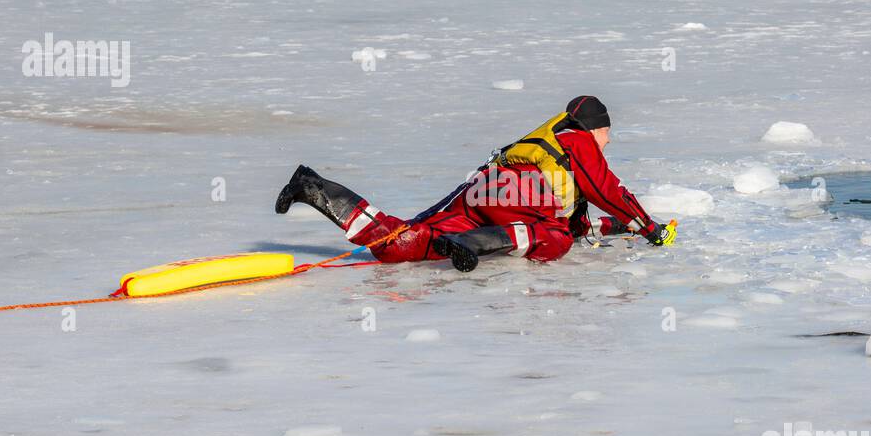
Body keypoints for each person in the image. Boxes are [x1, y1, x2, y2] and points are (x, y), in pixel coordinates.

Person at [274, 95, 672, 272]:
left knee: (402, 245)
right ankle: (476, 243)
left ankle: (317, 189)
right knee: (554, 240)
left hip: (483, 194)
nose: (607, 143)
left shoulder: (550, 143)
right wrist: (649, 227)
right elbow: (608, 191)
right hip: (518, 196)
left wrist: (620, 227)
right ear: (597, 128)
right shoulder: (579, 139)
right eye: (608, 134)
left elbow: (581, 219)